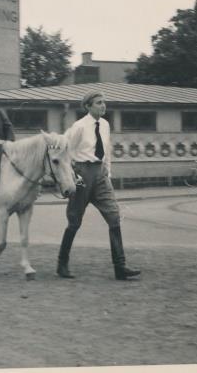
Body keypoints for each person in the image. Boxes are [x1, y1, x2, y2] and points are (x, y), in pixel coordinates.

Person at [57, 90, 141, 281]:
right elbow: (64, 152)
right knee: (74, 221)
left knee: (114, 216)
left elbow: (107, 152)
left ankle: (120, 267)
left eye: (104, 102)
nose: (103, 106)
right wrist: (71, 176)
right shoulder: (79, 127)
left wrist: (107, 174)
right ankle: (62, 263)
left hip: (100, 174)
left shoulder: (105, 125)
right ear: (88, 106)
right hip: (82, 174)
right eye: (98, 103)